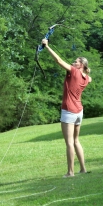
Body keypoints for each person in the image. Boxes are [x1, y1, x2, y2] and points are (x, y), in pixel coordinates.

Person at [42, 38, 92, 178]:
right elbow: (89, 78)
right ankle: (82, 169)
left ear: (81, 65)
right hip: (79, 111)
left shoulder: (75, 72)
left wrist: (46, 46)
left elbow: (58, 60)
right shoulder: (86, 78)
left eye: (76, 61)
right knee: (76, 141)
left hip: (69, 110)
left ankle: (70, 172)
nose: (73, 63)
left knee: (69, 142)